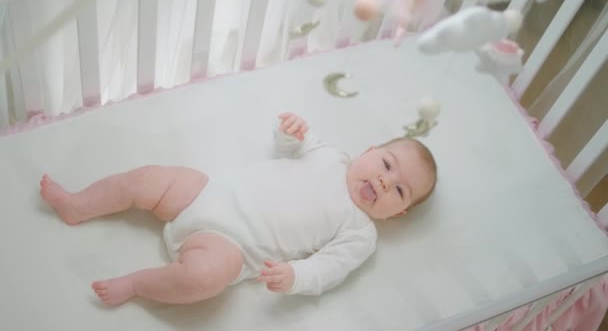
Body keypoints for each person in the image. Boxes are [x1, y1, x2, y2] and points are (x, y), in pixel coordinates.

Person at [40, 112, 437, 306]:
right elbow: (290, 148)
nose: (385, 182)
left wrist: (295, 275)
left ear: (396, 214)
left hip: (231, 246)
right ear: (369, 152)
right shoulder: (332, 156)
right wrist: (290, 132)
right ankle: (78, 204)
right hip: (205, 192)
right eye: (387, 165)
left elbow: (330, 269)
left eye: (400, 191)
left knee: (205, 279)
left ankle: (137, 285)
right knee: (145, 179)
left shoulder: (361, 232)